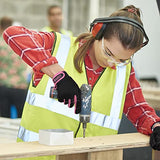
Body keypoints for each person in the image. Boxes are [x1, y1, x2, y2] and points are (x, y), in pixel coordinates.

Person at [3, 5, 160, 160]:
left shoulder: (124, 71)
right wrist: (58, 75)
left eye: (123, 59)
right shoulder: (58, 46)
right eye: (108, 53)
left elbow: (138, 108)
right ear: (98, 32)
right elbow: (12, 34)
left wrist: (155, 127)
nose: (113, 63)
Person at [0, 17, 28, 118]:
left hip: (3, 86)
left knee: (3, 119)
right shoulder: (20, 42)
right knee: (22, 118)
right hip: (20, 86)